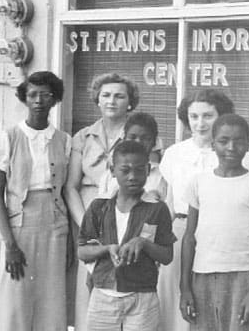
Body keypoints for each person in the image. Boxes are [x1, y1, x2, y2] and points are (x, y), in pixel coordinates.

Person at [157, 89, 249, 331]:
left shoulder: (237, 154)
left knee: (212, 307)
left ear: (221, 116)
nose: (200, 123)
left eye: (208, 116)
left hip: (219, 239)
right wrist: (158, 241)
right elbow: (169, 203)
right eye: (194, 116)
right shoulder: (174, 154)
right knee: (174, 302)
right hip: (180, 234)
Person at [0, 71, 71, 331]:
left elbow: (66, 190)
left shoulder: (64, 141)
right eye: (33, 94)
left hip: (55, 226)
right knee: (16, 296)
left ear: (54, 99)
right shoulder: (9, 138)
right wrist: (10, 244)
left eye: (45, 95)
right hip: (20, 226)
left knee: (51, 297)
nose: (39, 100)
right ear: (24, 98)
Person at [180, 114, 249, 331]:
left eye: (239, 140)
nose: (231, 147)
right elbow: (189, 237)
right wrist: (184, 287)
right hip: (202, 275)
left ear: (248, 144)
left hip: (243, 277)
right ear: (213, 144)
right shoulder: (199, 182)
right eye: (224, 141)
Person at [65, 72, 143, 330]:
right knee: (90, 282)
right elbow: (71, 187)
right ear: (97, 99)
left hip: (127, 215)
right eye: (106, 95)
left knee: (124, 284)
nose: (112, 101)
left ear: (130, 102)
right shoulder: (83, 137)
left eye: (120, 96)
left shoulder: (139, 135)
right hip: (88, 216)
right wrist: (87, 225)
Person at [78, 140, 175, 331]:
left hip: (143, 298)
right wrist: (106, 249)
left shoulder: (157, 209)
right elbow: (82, 251)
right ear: (112, 170)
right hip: (103, 295)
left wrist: (144, 244)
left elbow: (167, 255)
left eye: (139, 170)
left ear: (148, 170)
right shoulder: (99, 207)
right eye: (125, 170)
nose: (132, 177)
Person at [97, 111, 168, 202]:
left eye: (145, 138)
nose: (138, 142)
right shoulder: (110, 175)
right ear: (124, 138)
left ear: (154, 142)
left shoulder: (162, 176)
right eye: (132, 137)